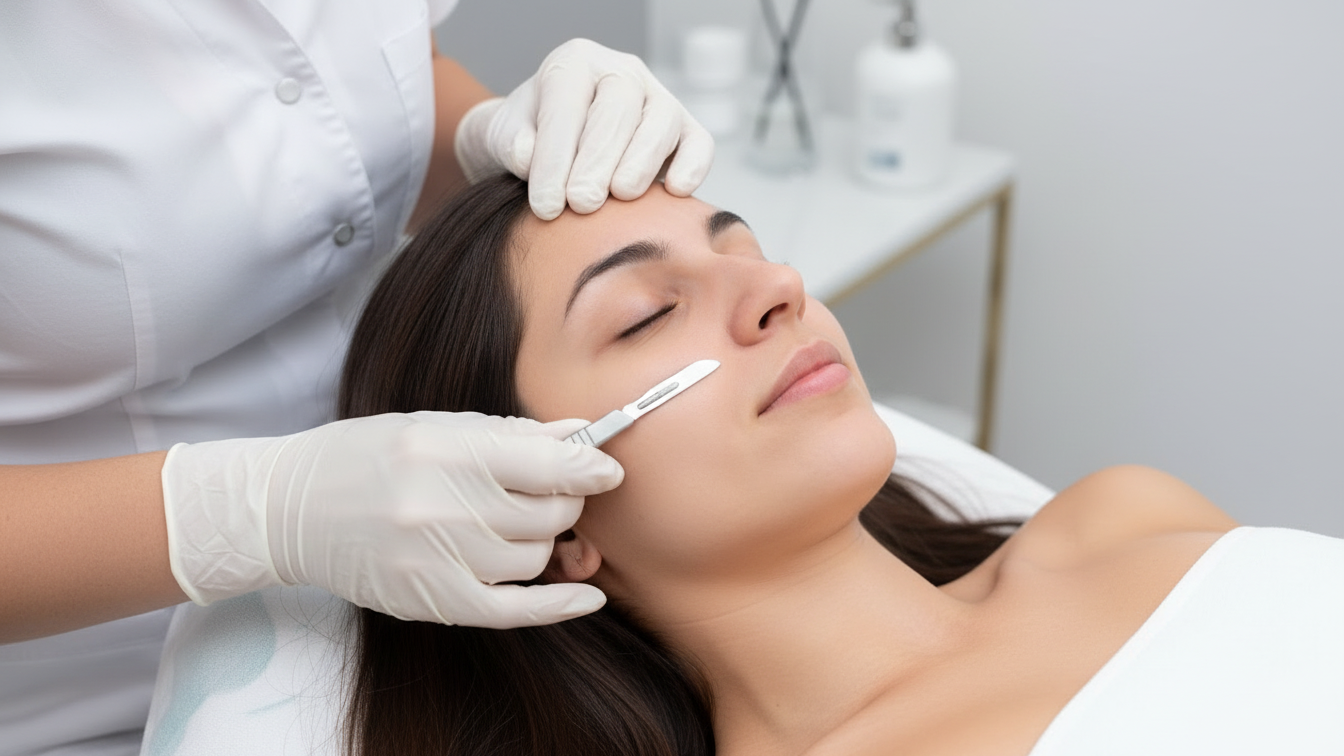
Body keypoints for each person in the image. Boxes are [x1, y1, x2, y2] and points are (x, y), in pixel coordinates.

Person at [319, 174, 1339, 755]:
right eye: (649, 313)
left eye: (747, 246)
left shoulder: (1123, 514)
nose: (777, 287)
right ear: (546, 515)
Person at [0, 2, 713, 753]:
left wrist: (496, 141)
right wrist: (251, 513)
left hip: (408, 613)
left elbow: (341, 97)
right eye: (643, 317)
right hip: (76, 696)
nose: (783, 294)